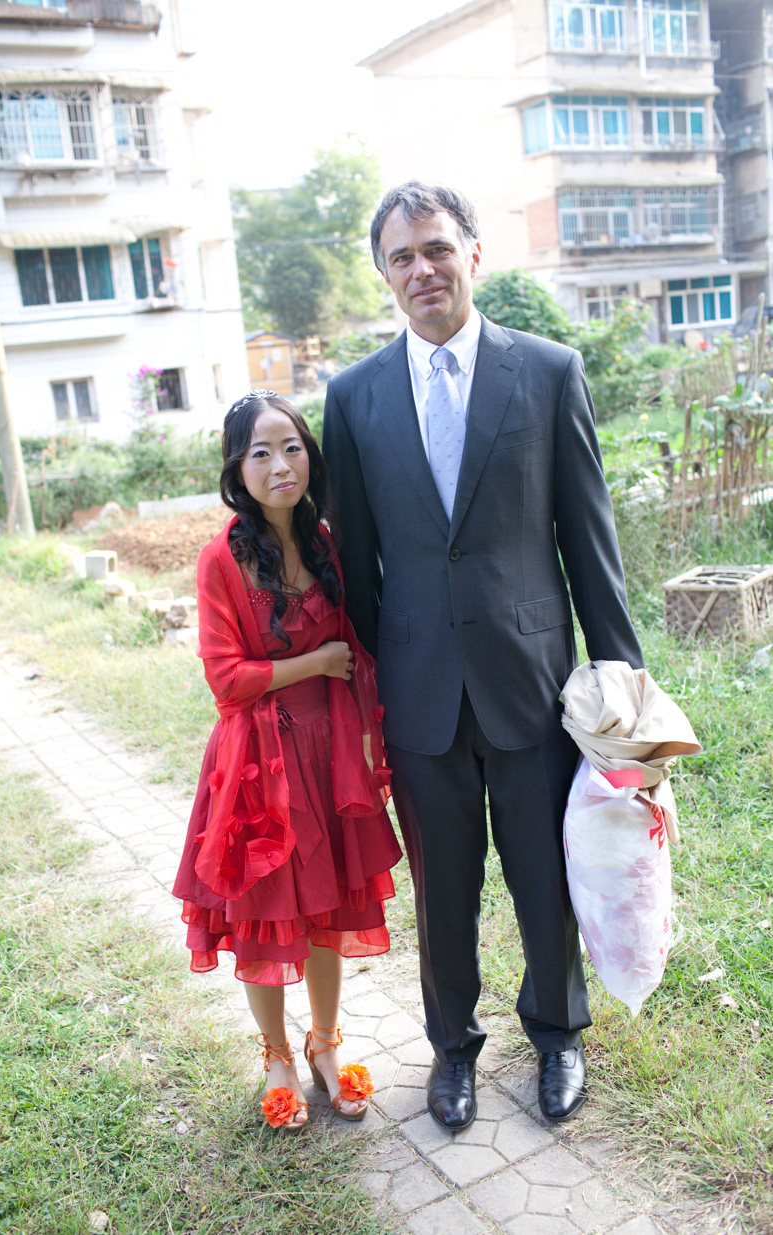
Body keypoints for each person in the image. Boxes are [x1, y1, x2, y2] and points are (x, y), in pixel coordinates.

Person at [322, 182, 644, 1132]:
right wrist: (371, 693)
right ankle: (451, 1048)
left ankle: (557, 1033)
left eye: (435, 248)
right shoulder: (353, 396)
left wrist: (621, 680)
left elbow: (588, 538)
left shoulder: (546, 371)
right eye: (401, 257)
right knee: (444, 889)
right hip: (419, 689)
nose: (421, 269)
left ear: (471, 253)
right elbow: (359, 564)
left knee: (545, 873)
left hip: (531, 682)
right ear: (384, 276)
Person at [173, 389, 401, 1130]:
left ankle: (324, 1042)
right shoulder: (222, 557)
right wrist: (316, 662)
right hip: (257, 761)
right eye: (261, 452)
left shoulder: (327, 542)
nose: (281, 465)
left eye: (292, 447)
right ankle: (276, 1055)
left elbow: (362, 644)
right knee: (266, 916)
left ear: (311, 456)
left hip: (327, 754)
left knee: (327, 909)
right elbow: (225, 679)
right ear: (237, 470)